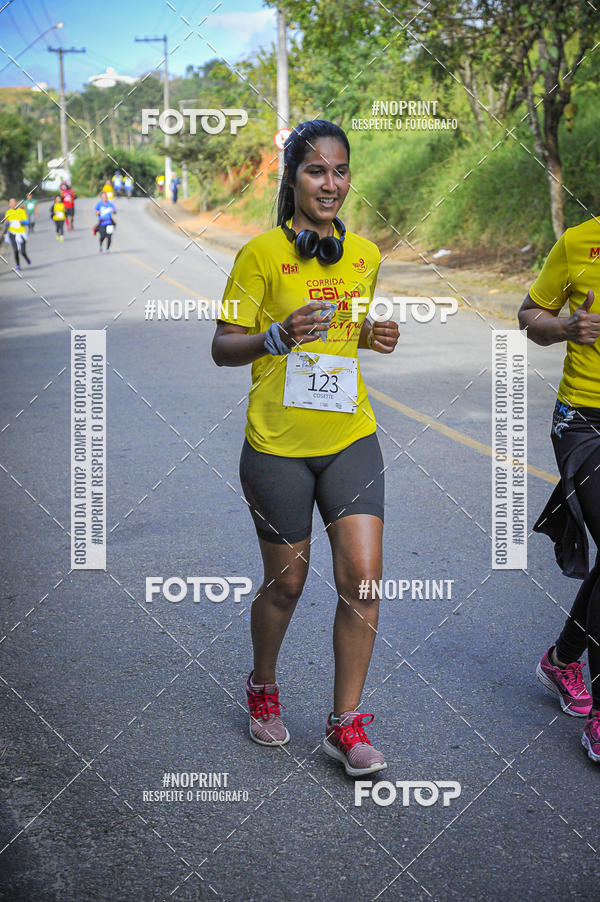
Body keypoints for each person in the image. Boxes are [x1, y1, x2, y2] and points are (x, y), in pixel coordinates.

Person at [212, 120, 399, 777]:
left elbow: (344, 337)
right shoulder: (259, 254)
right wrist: (273, 338)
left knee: (362, 580)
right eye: (317, 171)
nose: (331, 183)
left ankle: (344, 726)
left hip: (349, 436)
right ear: (292, 178)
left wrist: (370, 335)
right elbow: (221, 346)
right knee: (287, 583)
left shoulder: (366, 256)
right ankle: (263, 681)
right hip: (276, 446)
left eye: (340, 171)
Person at [519, 215, 600, 764]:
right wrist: (566, 329)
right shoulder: (580, 239)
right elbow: (530, 316)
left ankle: (564, 657)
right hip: (584, 420)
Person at [2, 198, 31, 270]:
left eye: (14, 202)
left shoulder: (21, 211)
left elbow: (27, 222)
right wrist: (6, 223)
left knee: (23, 252)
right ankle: (18, 265)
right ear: (9, 204)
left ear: (16, 203)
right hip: (12, 234)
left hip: (21, 233)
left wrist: (22, 222)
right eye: (11, 203)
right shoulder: (8, 212)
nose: (12, 204)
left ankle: (26, 257)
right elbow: (7, 225)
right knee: (15, 250)